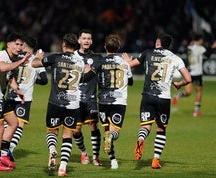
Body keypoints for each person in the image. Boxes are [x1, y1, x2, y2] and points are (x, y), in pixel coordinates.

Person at [122, 33, 192, 169]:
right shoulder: (175, 58)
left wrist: (126, 60)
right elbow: (188, 79)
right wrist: (179, 84)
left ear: (158, 42)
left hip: (147, 96)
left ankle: (141, 139)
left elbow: (129, 65)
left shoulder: (147, 53)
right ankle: (155, 160)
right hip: (163, 98)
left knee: (145, 126)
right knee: (161, 128)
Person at [32, 33, 85, 176]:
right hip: (72, 105)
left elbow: (34, 64)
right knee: (68, 135)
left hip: (55, 102)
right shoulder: (80, 62)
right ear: (76, 46)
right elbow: (83, 77)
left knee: (52, 131)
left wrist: (39, 57)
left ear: (63, 44)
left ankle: (52, 150)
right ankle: (62, 167)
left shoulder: (56, 58)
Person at [0, 32, 31, 171]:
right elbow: (2, 68)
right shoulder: (1, 55)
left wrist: (17, 90)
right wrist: (21, 61)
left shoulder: (11, 58)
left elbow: (9, 77)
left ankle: (3, 155)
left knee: (14, 123)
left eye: (21, 45)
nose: (19, 47)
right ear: (8, 44)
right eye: (17, 44)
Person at [84, 34, 133, 169]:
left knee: (106, 132)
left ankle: (113, 160)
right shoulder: (124, 63)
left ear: (105, 47)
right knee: (113, 132)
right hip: (119, 101)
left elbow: (87, 78)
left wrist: (87, 71)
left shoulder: (100, 62)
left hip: (103, 101)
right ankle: (112, 156)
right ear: (118, 47)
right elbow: (131, 82)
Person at [5, 36, 48, 161]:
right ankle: (10, 149)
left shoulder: (14, 58)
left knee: (8, 124)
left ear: (24, 46)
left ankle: (3, 148)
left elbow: (8, 74)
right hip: (25, 98)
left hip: (11, 94)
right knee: (19, 125)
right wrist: (34, 81)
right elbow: (44, 80)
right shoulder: (36, 60)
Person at [73, 29, 102, 166]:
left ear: (91, 41)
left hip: (91, 98)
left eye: (88, 38)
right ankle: (84, 152)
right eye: (83, 38)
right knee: (76, 130)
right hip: (75, 99)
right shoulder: (72, 57)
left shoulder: (97, 57)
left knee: (93, 125)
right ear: (79, 40)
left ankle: (96, 156)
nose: (86, 41)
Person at [172, 34, 216, 117]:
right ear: (200, 40)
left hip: (189, 72)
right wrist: (214, 47)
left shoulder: (189, 48)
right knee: (199, 91)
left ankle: (178, 95)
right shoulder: (200, 48)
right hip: (197, 73)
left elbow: (183, 51)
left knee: (188, 92)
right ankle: (196, 111)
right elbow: (207, 55)